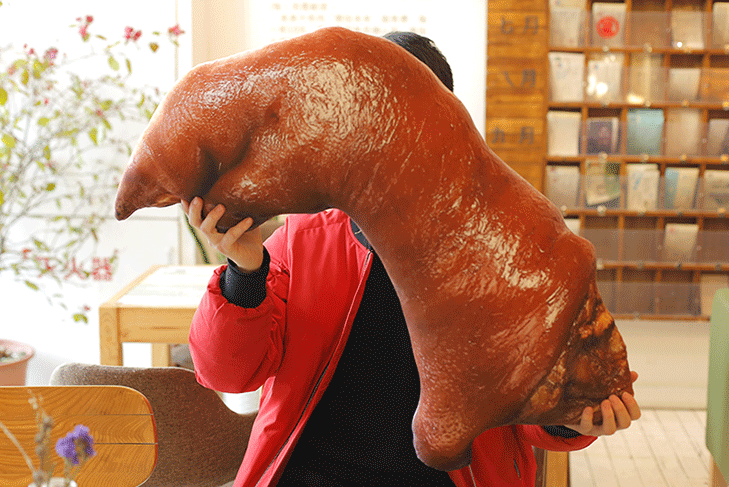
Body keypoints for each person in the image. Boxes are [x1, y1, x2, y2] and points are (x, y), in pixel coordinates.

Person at [183, 31, 641, 487]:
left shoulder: (505, 250)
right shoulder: (302, 242)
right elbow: (227, 373)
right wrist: (245, 272)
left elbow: (531, 396)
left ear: (447, 126)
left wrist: (573, 420)